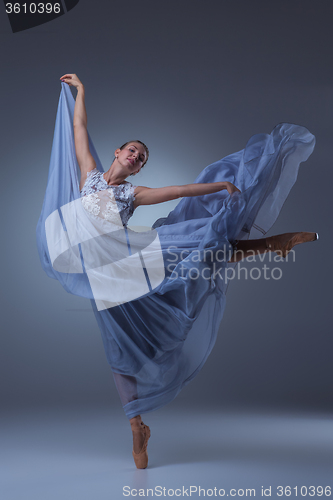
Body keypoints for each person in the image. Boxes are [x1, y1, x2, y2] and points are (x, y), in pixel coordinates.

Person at [37, 73, 318, 469]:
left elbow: (181, 191)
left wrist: (220, 186)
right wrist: (81, 92)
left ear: (137, 170)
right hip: (104, 282)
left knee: (198, 251)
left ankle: (273, 243)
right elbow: (78, 127)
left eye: (142, 158)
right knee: (121, 353)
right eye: (132, 151)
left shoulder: (132, 194)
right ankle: (136, 424)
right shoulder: (89, 175)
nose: (136, 157)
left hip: (127, 262)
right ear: (117, 152)